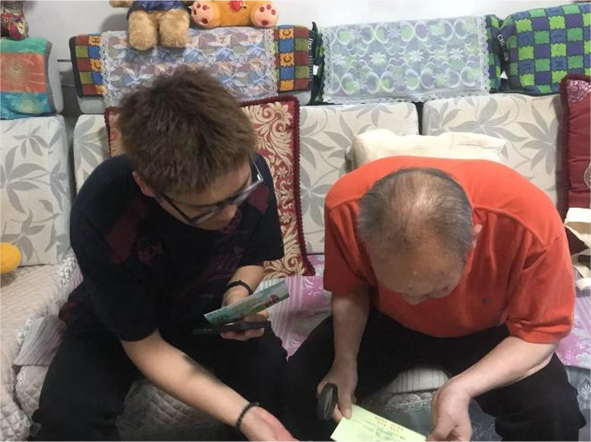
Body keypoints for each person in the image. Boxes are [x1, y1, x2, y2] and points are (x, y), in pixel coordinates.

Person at [34, 67, 296, 442]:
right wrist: (245, 415)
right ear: (147, 186)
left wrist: (237, 294)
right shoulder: (102, 210)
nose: (230, 215)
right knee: (67, 418)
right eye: (206, 209)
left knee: (271, 376)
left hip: (208, 313)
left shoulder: (250, 170)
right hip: (119, 321)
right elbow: (147, 347)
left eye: (238, 195)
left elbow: (253, 255)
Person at [284, 156, 586, 442]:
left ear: (474, 239)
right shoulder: (346, 207)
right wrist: (345, 361)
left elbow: (540, 334)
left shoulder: (531, 223)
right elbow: (351, 289)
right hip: (385, 318)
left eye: (436, 289)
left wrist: (461, 388)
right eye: (399, 286)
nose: (416, 302)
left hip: (489, 327)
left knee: (553, 414)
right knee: (296, 390)